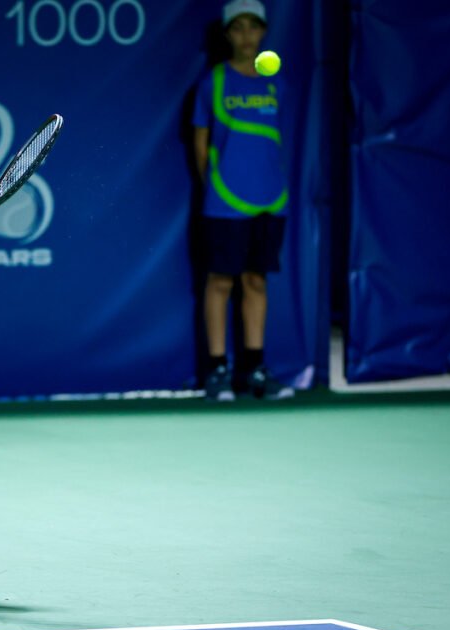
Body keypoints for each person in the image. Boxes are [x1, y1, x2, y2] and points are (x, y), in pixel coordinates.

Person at [191, 0, 294, 401]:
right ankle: (217, 371)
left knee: (255, 281)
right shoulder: (212, 84)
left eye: (254, 27)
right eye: (238, 28)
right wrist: (219, 188)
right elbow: (201, 148)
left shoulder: (277, 84)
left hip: (270, 200)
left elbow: (276, 142)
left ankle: (254, 370)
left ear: (263, 33)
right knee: (219, 282)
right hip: (224, 202)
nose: (247, 36)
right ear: (228, 34)